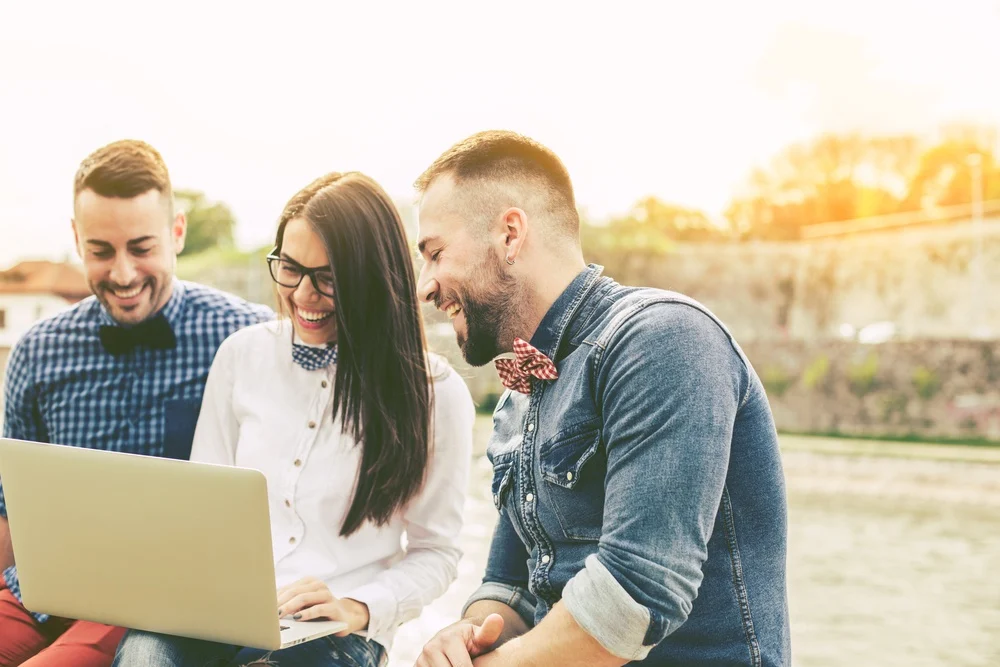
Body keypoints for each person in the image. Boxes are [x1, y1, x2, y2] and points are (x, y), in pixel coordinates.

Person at [412, 131, 790, 666]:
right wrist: (465, 637)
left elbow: (638, 592)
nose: (424, 285)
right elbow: (511, 581)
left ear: (510, 235)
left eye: (435, 253)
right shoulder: (520, 393)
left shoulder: (664, 340)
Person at [113, 171, 476, 667]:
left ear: (374, 276)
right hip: (220, 611)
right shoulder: (241, 356)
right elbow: (203, 507)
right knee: (143, 655)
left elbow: (437, 552)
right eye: (289, 267)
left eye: (329, 277)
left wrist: (357, 607)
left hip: (335, 634)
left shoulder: (437, 395)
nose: (303, 294)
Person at [0, 139, 273, 667]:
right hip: (42, 590)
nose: (123, 274)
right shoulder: (36, 352)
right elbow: (8, 508)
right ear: (76, 239)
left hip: (162, 601)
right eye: (101, 251)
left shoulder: (246, 336)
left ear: (177, 233)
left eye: (141, 248)